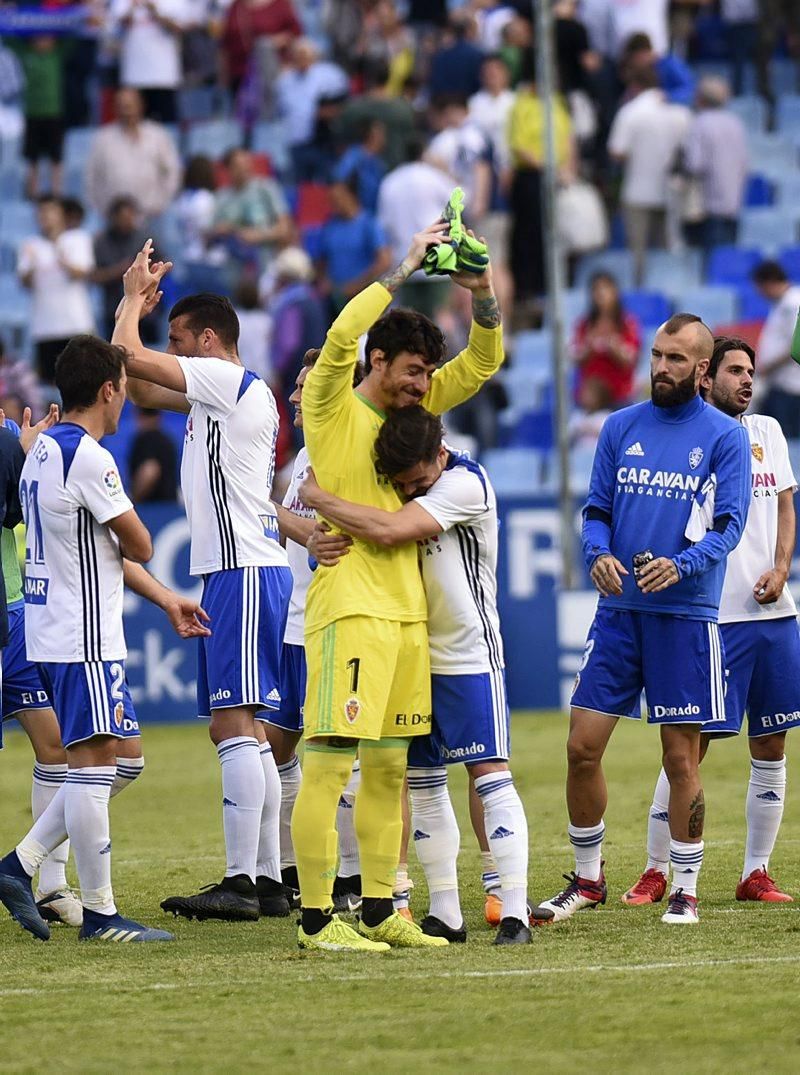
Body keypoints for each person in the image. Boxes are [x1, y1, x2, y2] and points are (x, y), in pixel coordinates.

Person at [289, 218, 504, 952]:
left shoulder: (409, 417)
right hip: (348, 609)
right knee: (329, 764)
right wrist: (402, 269)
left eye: (424, 374)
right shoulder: (331, 405)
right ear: (379, 361)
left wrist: (481, 292)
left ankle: (382, 908)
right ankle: (317, 918)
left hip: (408, 618)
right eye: (412, 371)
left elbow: (484, 361)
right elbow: (342, 336)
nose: (423, 386)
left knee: (388, 768)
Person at [531, 313, 751, 928]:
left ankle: (684, 885)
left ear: (703, 369)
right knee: (581, 747)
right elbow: (596, 509)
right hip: (619, 614)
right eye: (656, 355)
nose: (660, 368)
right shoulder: (619, 426)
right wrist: (597, 554)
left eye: (676, 359)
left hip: (684, 616)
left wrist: (681, 567)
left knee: (681, 760)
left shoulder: (724, 437)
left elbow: (730, 526)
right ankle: (588, 879)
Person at [0, 336, 209, 943]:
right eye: (124, 387)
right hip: (82, 636)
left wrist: (167, 598)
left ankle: (21, 863)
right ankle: (100, 914)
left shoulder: (40, 450)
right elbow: (139, 543)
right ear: (110, 389)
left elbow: (104, 550)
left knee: (127, 760)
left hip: (51, 630)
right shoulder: (91, 459)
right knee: (92, 768)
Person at [301, 405, 531, 945]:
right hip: (412, 651)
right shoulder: (415, 479)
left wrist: (317, 500)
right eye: (402, 486)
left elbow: (387, 528)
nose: (411, 493)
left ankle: (515, 909)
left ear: (440, 454)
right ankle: (445, 911)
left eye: (419, 482)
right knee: (423, 783)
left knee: (490, 773)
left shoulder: (467, 482)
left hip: (469, 654)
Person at [113, 246, 294, 923]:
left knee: (233, 724)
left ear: (209, 342)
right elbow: (123, 377)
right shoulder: (226, 392)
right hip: (243, 569)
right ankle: (270, 880)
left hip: (242, 571)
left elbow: (128, 359)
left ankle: (242, 882)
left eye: (179, 339)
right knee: (245, 730)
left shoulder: (225, 382)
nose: (173, 351)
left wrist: (134, 299)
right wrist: (129, 313)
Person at [623, 336, 800, 907]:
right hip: (714, 618)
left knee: (771, 747)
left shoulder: (767, 432)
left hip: (773, 614)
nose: (748, 380)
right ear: (707, 378)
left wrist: (780, 567)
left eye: (751, 370)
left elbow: (784, 506)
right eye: (735, 371)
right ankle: (656, 870)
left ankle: (756, 872)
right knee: (687, 751)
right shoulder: (691, 439)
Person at [268, 349, 358, 904]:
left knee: (336, 754)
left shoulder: (347, 450)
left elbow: (339, 533)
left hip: (331, 625)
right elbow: (290, 527)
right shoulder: (303, 456)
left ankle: (349, 877)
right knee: (275, 750)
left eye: (305, 387)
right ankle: (284, 872)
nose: (296, 397)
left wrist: (269, 510)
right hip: (292, 625)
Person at [608, 66, 691, 287]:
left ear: (634, 86)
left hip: (637, 191)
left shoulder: (630, 112)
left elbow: (616, 151)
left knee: (639, 254)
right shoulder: (678, 112)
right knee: (666, 252)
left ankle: (642, 295)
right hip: (670, 190)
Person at [17, 194, 95, 387]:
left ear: (61, 214)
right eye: (41, 213)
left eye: (50, 211)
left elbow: (82, 273)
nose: (45, 217)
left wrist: (59, 253)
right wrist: (33, 265)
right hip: (44, 327)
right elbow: (25, 282)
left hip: (75, 323)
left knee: (81, 381)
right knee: (50, 383)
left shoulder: (77, 239)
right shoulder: (30, 245)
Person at [375, 135, 455, 320]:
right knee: (441, 316)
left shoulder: (389, 182)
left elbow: (383, 223)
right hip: (437, 257)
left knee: (412, 320)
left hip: (406, 259)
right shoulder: (433, 176)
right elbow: (459, 202)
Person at [85, 88, 181, 220]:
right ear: (115, 109)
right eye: (121, 107)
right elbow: (92, 179)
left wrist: (161, 204)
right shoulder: (103, 139)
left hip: (152, 216)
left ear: (141, 106)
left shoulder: (158, 136)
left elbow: (172, 172)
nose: (126, 111)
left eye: (129, 106)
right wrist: (104, 209)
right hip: (114, 219)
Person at [683, 76, 748, 251]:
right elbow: (745, 163)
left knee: (711, 261)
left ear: (701, 99)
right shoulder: (735, 123)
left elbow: (695, 164)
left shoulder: (701, 123)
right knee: (728, 257)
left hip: (708, 203)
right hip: (733, 202)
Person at [275, 37, 349, 181]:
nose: (302, 59)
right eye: (298, 55)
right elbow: (281, 112)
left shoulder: (330, 74)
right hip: (297, 142)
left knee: (325, 186)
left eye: (305, 54)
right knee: (300, 187)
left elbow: (344, 102)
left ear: (314, 55)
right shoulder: (285, 81)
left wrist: (330, 113)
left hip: (322, 142)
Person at [211, 147, 292, 274]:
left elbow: (284, 229)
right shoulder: (222, 197)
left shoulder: (266, 188)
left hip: (266, 258)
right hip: (232, 260)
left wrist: (257, 235)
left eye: (247, 163)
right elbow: (211, 232)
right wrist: (225, 229)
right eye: (238, 165)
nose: (245, 168)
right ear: (228, 169)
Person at [318, 178, 392, 314]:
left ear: (351, 196)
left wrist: (358, 285)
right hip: (337, 300)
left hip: (364, 299)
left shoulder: (369, 224)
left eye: (338, 199)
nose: (334, 204)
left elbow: (384, 261)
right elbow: (323, 259)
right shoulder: (331, 226)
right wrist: (325, 281)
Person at [111, 0, 190, 123]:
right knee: (135, 126)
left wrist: (154, 10)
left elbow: (180, 28)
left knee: (167, 127)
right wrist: (132, 7)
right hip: (134, 76)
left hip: (164, 77)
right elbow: (114, 28)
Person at [12, 34, 69, 199]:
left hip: (54, 113)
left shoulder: (57, 55)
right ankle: (32, 191)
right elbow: (10, 38)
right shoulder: (25, 54)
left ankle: (57, 192)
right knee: (32, 157)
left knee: (56, 156)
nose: (42, 41)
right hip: (32, 114)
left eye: (47, 37)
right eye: (38, 37)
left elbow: (71, 36)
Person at [572, 272, 641, 406]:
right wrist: (589, 348)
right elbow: (575, 356)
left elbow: (631, 358)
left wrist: (614, 348)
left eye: (605, 288)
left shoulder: (627, 323)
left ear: (614, 292)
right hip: (591, 401)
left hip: (620, 398)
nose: (601, 294)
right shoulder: (584, 324)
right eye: (596, 289)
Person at [751, 262, 800, 439]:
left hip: (791, 387)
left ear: (769, 282)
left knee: (788, 442)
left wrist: (767, 367)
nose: (759, 293)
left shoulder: (794, 303)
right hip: (778, 383)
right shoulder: (781, 303)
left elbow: (796, 346)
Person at [92, 196, 152, 339]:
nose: (128, 220)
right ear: (113, 217)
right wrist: (121, 270)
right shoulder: (101, 241)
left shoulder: (144, 238)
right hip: (113, 307)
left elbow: (164, 266)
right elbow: (94, 276)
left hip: (144, 308)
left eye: (131, 216)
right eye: (123, 217)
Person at [332, 118, 388, 214]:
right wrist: (352, 211)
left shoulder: (379, 162)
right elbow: (337, 184)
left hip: (375, 213)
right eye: (381, 133)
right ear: (372, 135)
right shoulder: (353, 156)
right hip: (357, 216)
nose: (384, 137)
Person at [127, 407, 178, 503]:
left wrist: (134, 499)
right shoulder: (167, 439)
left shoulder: (146, 439)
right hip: (170, 506)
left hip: (151, 509)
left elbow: (150, 471)